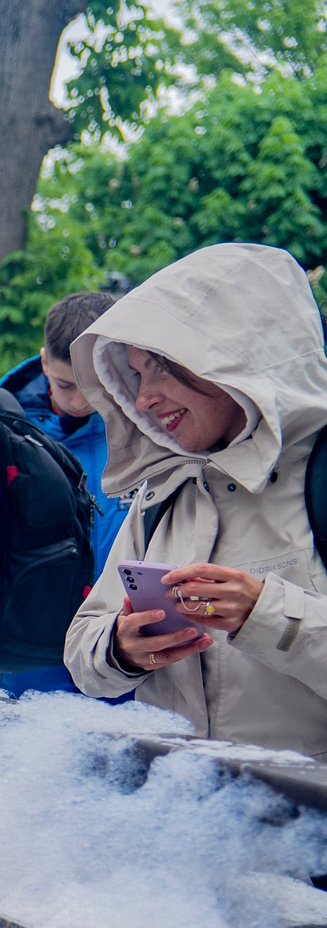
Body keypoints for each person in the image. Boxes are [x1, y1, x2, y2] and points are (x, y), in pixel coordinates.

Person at [63, 242, 327, 756]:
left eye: (160, 367)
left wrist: (267, 615)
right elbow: (82, 651)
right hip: (181, 814)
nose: (142, 398)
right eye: (136, 374)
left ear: (240, 353)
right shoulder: (162, 489)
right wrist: (121, 649)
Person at [0, 290, 126, 573]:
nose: (80, 403)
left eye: (95, 386)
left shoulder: (152, 428)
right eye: (66, 385)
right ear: (44, 362)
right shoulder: (6, 436)